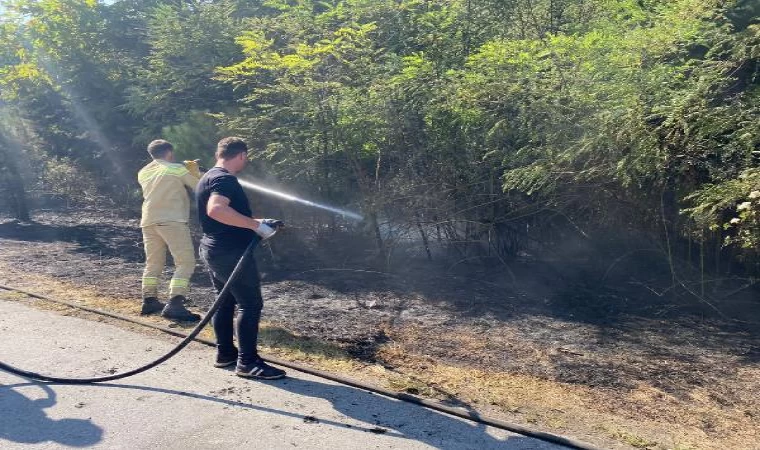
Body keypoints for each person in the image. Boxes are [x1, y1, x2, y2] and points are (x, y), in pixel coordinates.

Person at [196, 136, 286, 380]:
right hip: (229, 253)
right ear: (242, 155)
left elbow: (226, 213)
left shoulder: (208, 176)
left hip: (213, 249)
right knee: (250, 304)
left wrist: (257, 223)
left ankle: (225, 353)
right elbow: (216, 209)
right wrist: (255, 225)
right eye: (246, 158)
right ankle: (247, 363)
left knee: (224, 302)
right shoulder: (225, 179)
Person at [137, 139, 202, 322]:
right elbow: (199, 186)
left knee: (153, 263)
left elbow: (163, 176)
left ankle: (149, 300)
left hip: (149, 221)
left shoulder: (144, 172)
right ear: (169, 153)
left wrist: (182, 167)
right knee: (185, 263)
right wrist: (194, 171)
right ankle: (176, 303)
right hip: (171, 220)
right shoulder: (176, 169)